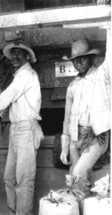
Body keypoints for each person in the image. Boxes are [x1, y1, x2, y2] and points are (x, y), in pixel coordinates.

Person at [0, 41, 44, 215]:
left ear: (27, 56)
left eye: (19, 53)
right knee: (9, 178)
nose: (14, 57)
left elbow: (10, 94)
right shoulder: (19, 75)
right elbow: (14, 97)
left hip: (26, 131)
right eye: (13, 53)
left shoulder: (26, 74)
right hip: (17, 131)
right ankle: (13, 212)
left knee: (24, 180)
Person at [60, 31, 110, 196]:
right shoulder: (73, 86)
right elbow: (67, 119)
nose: (78, 63)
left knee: (78, 173)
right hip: (76, 138)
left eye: (82, 58)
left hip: (96, 137)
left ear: (92, 58)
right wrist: (64, 147)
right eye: (75, 60)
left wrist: (109, 28)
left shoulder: (101, 76)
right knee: (76, 186)